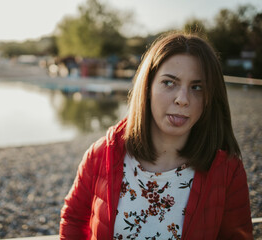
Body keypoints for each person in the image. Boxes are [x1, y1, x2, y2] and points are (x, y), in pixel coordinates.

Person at [59, 32, 253, 239]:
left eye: (197, 87)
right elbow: (74, 219)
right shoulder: (101, 154)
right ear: (148, 86)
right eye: (169, 83)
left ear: (209, 98)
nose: (182, 99)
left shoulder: (227, 170)